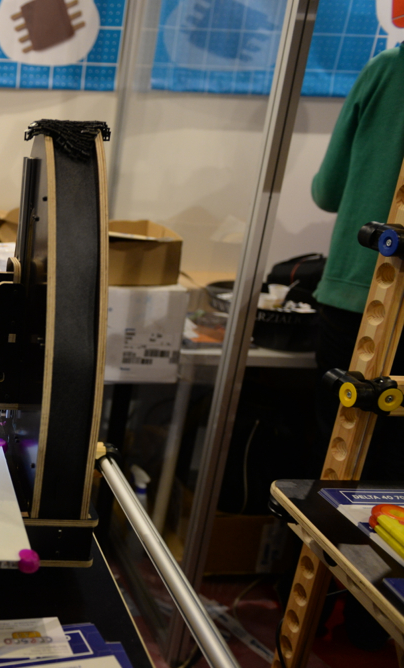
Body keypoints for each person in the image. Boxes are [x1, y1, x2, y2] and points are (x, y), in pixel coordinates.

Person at [310, 45, 404, 651]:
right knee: (395, 479)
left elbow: (327, 190)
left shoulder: (388, 69)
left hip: (355, 296)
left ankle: (308, 606)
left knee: (332, 463)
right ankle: (374, 625)